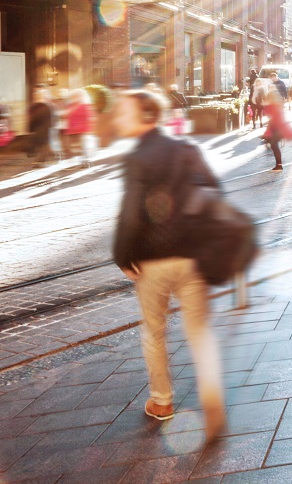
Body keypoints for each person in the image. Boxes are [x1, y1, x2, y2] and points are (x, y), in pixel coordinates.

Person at [111, 90, 225, 440]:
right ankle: (212, 401)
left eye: (124, 112)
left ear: (146, 116)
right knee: (199, 331)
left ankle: (162, 402)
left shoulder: (139, 157)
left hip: (153, 260)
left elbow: (131, 214)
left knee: (154, 331)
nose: (117, 118)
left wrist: (122, 256)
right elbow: (214, 190)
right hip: (192, 256)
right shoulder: (185, 149)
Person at [262, 89, 292, 171]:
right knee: (274, 145)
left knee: (274, 146)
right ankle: (279, 165)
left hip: (276, 128)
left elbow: (270, 115)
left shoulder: (272, 106)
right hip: (278, 128)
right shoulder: (278, 104)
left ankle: (279, 165)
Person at [62, 89, 95, 165]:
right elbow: (66, 116)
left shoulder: (85, 106)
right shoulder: (70, 106)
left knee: (83, 147)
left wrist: (90, 129)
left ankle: (85, 161)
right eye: (74, 96)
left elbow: (89, 118)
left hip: (82, 130)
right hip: (72, 130)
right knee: (76, 148)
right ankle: (82, 160)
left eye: (78, 96)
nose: (75, 97)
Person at [27, 86, 55, 166]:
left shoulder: (47, 106)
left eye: (38, 94)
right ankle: (49, 157)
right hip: (37, 129)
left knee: (44, 144)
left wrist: (50, 127)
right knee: (42, 144)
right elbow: (30, 119)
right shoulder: (33, 106)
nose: (36, 95)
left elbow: (51, 119)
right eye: (36, 94)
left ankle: (40, 160)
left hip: (45, 129)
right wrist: (30, 129)